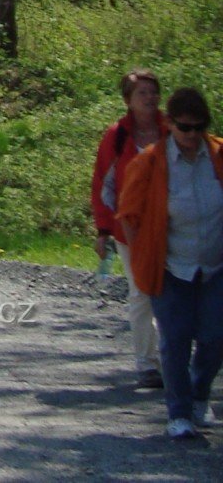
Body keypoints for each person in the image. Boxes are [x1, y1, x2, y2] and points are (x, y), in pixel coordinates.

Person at [116, 87, 223, 439]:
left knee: (214, 337)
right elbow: (129, 216)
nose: (191, 135)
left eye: (198, 127)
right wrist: (143, 260)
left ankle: (199, 396)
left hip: (215, 267)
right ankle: (178, 414)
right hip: (171, 269)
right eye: (184, 127)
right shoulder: (149, 162)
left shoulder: (219, 156)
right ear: (170, 124)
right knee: (175, 340)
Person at [94, 69, 167, 387]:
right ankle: (146, 363)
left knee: (173, 292)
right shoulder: (117, 135)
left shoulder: (173, 130)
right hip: (130, 228)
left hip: (171, 225)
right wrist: (103, 229)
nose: (150, 98)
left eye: (153, 92)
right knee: (140, 293)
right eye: (142, 93)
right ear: (128, 101)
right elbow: (102, 182)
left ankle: (173, 360)